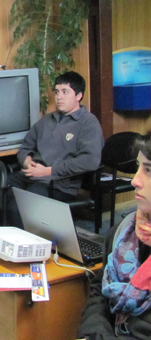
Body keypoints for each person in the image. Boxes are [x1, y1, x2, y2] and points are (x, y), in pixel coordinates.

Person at [6, 71, 104, 228]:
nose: (59, 97)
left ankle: (29, 248)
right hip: (31, 174)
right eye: (57, 92)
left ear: (78, 96)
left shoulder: (88, 123)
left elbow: (90, 161)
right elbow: (26, 147)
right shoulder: (47, 120)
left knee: (17, 208)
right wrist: (27, 161)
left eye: (65, 92)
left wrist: (48, 171)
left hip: (58, 183)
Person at [77, 132, 151, 340]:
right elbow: (100, 290)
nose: (135, 180)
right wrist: (94, 333)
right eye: (138, 168)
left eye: (148, 171)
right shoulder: (123, 232)